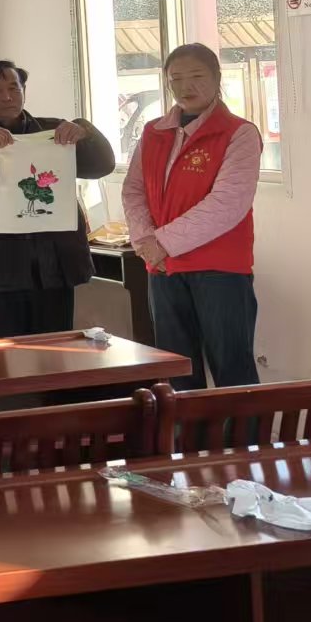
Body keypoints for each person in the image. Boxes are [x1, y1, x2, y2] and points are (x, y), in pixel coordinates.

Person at [121, 43, 262, 390]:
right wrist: (145, 241)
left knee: (232, 370)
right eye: (176, 78)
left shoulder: (239, 132)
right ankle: (186, 429)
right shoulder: (153, 132)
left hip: (220, 270)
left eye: (197, 76)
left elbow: (227, 204)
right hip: (163, 268)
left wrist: (162, 243)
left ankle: (243, 430)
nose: (186, 86)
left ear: (217, 78)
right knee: (176, 371)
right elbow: (134, 190)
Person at [0, 61, 116, 337]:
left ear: (24, 91)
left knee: (53, 349)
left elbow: (101, 166)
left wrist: (85, 131)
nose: (7, 96)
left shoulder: (54, 131)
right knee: (0, 353)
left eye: (14, 88)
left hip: (51, 267)